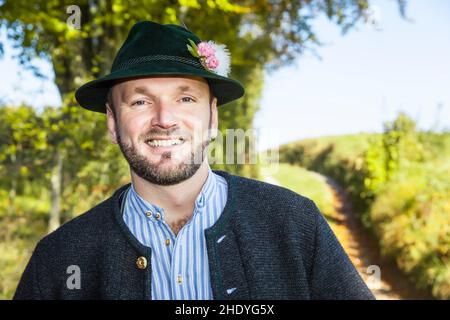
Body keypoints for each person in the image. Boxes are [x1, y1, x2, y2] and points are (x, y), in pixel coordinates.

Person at [14, 21, 374, 300]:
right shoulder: (58, 259)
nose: (164, 118)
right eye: (140, 101)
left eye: (185, 99)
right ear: (112, 122)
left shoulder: (296, 224)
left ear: (213, 117)